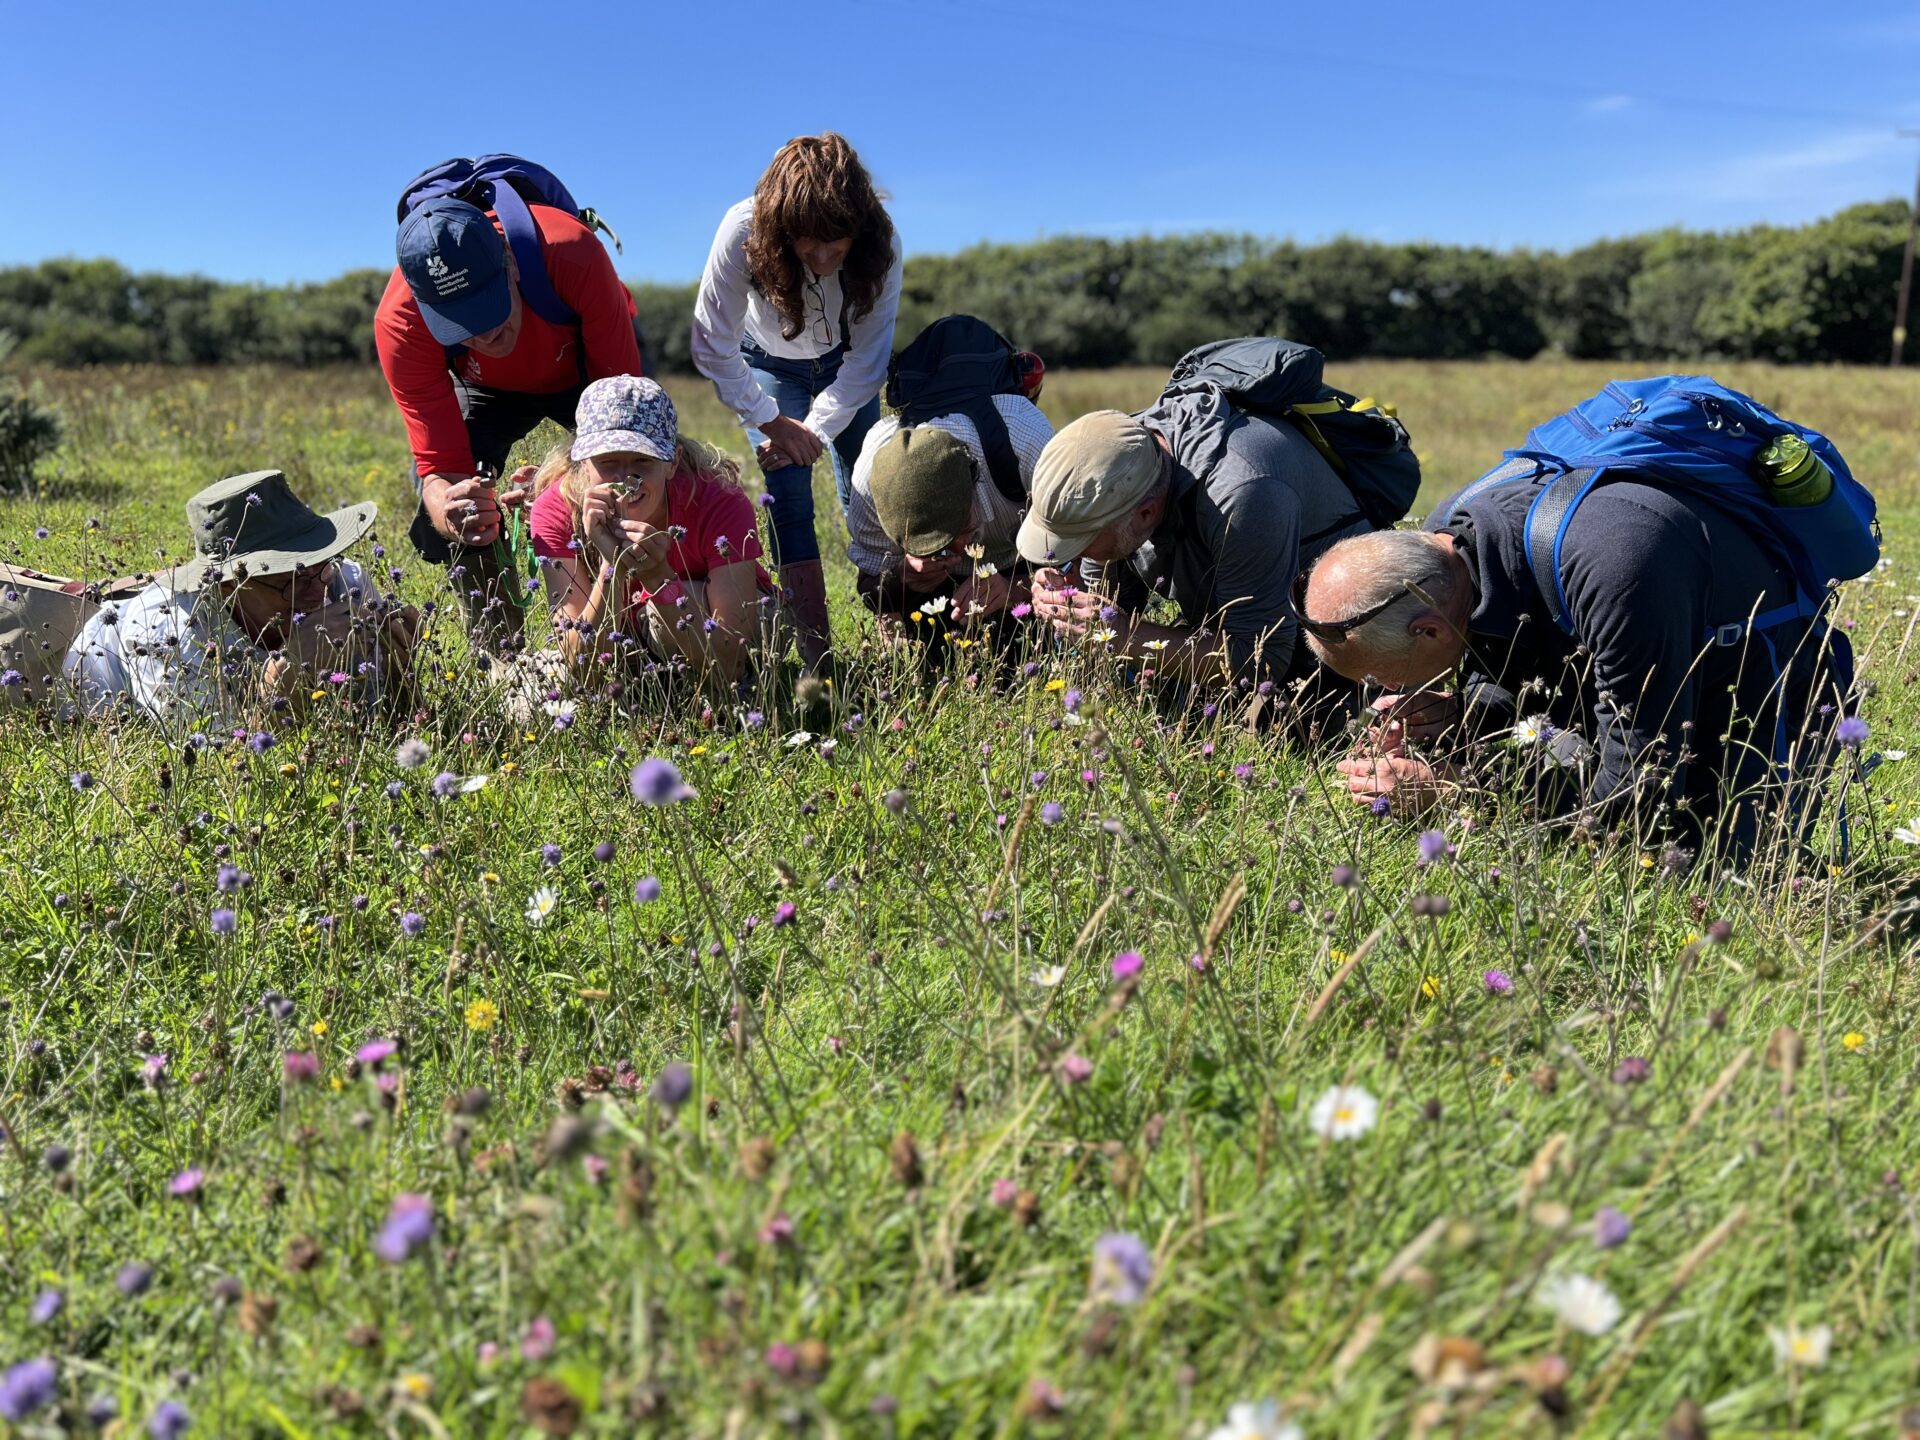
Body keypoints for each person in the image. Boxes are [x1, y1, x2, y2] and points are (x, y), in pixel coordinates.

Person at [1299, 486, 1852, 860]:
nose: (1391, 695)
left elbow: (1644, 799)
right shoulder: (1453, 546)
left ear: (1429, 631)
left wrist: (1456, 796)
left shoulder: (1619, 568)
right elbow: (1521, 668)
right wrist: (1462, 716)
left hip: (1764, 700)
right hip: (1645, 688)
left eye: (1385, 679)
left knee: (1705, 869)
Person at [375, 191, 644, 650]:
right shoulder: (401, 325)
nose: (485, 335)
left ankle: (636, 640)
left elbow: (627, 437)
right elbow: (440, 468)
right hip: (487, 388)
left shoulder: (572, 254)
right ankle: (502, 659)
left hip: (583, 368)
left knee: (636, 477)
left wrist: (558, 485)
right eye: (459, 324)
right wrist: (450, 511)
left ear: (510, 263)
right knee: (461, 509)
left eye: (488, 306)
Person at [1016, 386, 1385, 714]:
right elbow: (1107, 606)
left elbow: (1259, 660)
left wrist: (1124, 634)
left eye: (1081, 540)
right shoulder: (1120, 466)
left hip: (1340, 650)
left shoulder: (1242, 496)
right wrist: (1073, 602)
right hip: (1237, 615)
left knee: (1275, 722)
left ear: (1146, 512)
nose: (1071, 554)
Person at [690, 133, 902, 667]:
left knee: (871, 483)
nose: (826, 256)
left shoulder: (883, 240)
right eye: (810, 243)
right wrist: (771, 421)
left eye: (838, 241)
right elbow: (711, 343)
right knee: (787, 496)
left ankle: (893, 622)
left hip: (845, 363)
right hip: (766, 361)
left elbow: (870, 361)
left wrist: (814, 429)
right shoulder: (742, 228)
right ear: (781, 230)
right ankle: (817, 655)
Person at [65, 471, 418, 725]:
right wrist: (288, 673)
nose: (318, 590)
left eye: (319, 565)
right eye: (291, 578)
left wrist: (400, 662)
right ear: (228, 586)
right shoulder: (166, 632)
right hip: (79, 688)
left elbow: (383, 710)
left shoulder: (343, 580)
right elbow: (215, 752)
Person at [524, 376, 774, 690]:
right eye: (608, 462)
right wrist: (611, 568)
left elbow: (729, 662)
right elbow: (579, 665)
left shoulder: (719, 501)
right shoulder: (555, 510)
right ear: (582, 463)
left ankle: (703, 696)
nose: (626, 479)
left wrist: (657, 575)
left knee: (677, 604)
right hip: (625, 636)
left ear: (672, 463)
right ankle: (652, 687)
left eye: (643, 461)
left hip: (722, 634)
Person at [846, 388, 1052, 648]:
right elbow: (869, 588)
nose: (957, 550)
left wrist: (1016, 587)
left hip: (1025, 567)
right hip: (935, 595)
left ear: (974, 481)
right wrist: (902, 580)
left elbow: (1083, 562)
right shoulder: (867, 485)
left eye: (961, 528)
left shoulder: (1027, 445)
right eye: (934, 546)